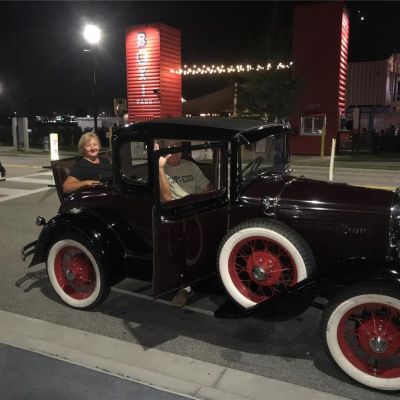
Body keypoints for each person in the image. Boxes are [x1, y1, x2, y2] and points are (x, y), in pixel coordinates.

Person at [157, 139, 212, 306]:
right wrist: (160, 168)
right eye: (170, 146)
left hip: (194, 209)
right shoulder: (160, 169)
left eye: (178, 146)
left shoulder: (191, 166)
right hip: (174, 213)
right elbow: (167, 198)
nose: (175, 149)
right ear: (163, 149)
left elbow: (207, 186)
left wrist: (213, 196)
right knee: (186, 241)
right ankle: (185, 286)